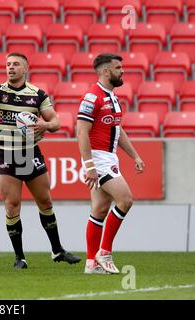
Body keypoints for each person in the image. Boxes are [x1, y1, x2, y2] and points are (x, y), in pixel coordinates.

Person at [0, 52, 81, 269]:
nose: (10, 67)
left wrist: (45, 126)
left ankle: (57, 250)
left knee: (45, 202)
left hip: (31, 154)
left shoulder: (38, 95)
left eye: (16, 64)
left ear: (25, 68)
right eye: (8, 64)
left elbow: (56, 122)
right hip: (7, 155)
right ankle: (19, 257)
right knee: (12, 206)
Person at [76, 53, 145, 275]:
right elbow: (81, 132)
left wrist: (134, 155)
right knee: (125, 200)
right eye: (118, 68)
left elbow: (117, 129)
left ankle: (90, 263)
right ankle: (104, 252)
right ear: (106, 72)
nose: (122, 71)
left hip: (108, 158)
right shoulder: (91, 96)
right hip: (97, 159)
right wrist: (89, 166)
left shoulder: (112, 97)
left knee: (99, 209)